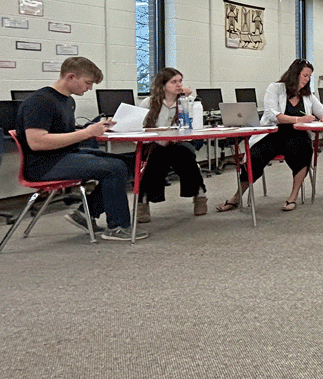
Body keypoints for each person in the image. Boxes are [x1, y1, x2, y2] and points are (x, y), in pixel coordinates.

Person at [14, 57, 147, 241]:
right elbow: (37, 142)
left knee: (131, 163)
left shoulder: (68, 101)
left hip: (64, 155)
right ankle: (117, 227)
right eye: (87, 83)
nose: (90, 88)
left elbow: (63, 132)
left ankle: (85, 213)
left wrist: (94, 129)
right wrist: (86, 133)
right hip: (44, 164)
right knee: (114, 168)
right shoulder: (40, 102)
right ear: (71, 77)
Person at [216, 59, 323, 213]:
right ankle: (237, 197)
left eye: (309, 76)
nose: (307, 79)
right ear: (295, 74)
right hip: (274, 133)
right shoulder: (276, 88)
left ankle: (292, 196)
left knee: (304, 151)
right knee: (255, 157)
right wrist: (299, 119)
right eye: (305, 75)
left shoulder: (308, 96)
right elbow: (272, 115)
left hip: (298, 136)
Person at [135, 68, 207, 222]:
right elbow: (138, 129)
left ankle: (198, 194)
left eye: (180, 81)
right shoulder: (148, 103)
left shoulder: (190, 101)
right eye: (174, 82)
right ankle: (145, 200)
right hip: (155, 144)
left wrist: (185, 102)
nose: (179, 85)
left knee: (182, 153)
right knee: (158, 155)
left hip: (180, 143)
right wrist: (161, 137)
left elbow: (195, 127)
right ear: (163, 85)